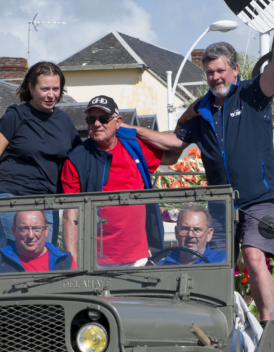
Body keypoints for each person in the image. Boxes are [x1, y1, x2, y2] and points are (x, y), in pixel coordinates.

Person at [129, 0, 274, 325]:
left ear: (235, 71)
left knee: (254, 258)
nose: (215, 77)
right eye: (209, 73)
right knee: (211, 267)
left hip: (259, 201)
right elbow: (173, 142)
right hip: (221, 206)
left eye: (220, 70)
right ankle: (213, 325)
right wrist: (132, 130)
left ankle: (268, 327)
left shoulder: (253, 94)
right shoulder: (201, 111)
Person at [60, 95, 183, 267]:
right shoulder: (76, 159)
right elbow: (70, 215)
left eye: (103, 119)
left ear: (118, 122)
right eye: (91, 119)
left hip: (138, 257)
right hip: (95, 259)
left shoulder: (134, 147)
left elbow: (173, 152)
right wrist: (73, 262)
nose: (96, 124)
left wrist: (135, 130)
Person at [0, 61, 82, 243]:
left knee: (43, 263)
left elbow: (80, 161)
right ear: (31, 88)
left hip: (48, 203)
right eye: (45, 89)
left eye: (56, 89)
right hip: (11, 198)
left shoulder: (65, 122)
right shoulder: (15, 116)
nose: (51, 95)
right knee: (16, 263)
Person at [0, 190, 74, 273]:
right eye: (24, 228)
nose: (31, 235)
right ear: (13, 230)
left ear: (46, 230)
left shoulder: (65, 261)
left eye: (36, 228)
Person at [160, 205, 227, 265]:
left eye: (197, 229)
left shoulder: (221, 262)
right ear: (176, 232)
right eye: (185, 229)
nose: (190, 235)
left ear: (209, 234)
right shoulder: (161, 267)